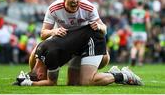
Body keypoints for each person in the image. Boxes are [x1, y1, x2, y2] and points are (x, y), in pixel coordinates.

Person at [14, 0, 143, 86]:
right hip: (66, 42)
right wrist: (54, 31)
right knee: (69, 81)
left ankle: (122, 75)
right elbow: (43, 33)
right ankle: (34, 76)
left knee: (96, 69)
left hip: (85, 44)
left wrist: (98, 26)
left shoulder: (88, 8)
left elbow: (104, 29)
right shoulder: (54, 8)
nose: (75, 0)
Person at [14, 25, 143, 86]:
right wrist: (27, 77)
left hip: (93, 39)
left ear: (40, 75)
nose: (44, 75)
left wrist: (30, 84)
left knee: (87, 81)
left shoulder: (50, 57)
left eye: (41, 77)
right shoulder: (39, 50)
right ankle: (110, 73)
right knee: (73, 84)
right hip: (78, 45)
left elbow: (52, 82)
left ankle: (124, 76)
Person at [130, 2, 151, 66]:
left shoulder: (133, 11)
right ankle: (140, 62)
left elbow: (132, 20)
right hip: (142, 31)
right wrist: (149, 31)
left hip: (134, 31)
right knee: (142, 47)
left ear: (137, 5)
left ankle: (133, 57)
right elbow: (147, 23)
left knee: (134, 46)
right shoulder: (145, 12)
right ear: (142, 5)